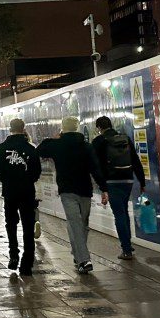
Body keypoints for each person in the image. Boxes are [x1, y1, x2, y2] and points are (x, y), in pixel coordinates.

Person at [38, 117, 108, 274]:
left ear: (63, 128)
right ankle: (84, 260)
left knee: (77, 224)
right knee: (80, 224)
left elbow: (40, 150)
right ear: (77, 128)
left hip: (67, 190)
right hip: (85, 190)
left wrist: (54, 138)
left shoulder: (57, 144)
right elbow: (95, 168)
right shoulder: (86, 146)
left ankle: (78, 255)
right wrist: (104, 188)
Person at [92, 115, 147, 260]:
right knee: (123, 212)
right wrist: (142, 182)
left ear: (99, 128)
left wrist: (101, 186)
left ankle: (126, 249)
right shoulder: (124, 138)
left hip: (111, 182)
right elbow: (135, 160)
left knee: (119, 214)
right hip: (128, 180)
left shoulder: (99, 141)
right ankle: (127, 242)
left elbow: (95, 166)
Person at [0, 118, 42, 275]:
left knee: (11, 223)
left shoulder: (2, 148)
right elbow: (36, 171)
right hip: (27, 191)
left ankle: (13, 255)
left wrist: (7, 180)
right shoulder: (30, 148)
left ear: (10, 129)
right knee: (28, 226)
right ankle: (27, 263)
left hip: (9, 191)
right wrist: (28, 180)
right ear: (23, 128)